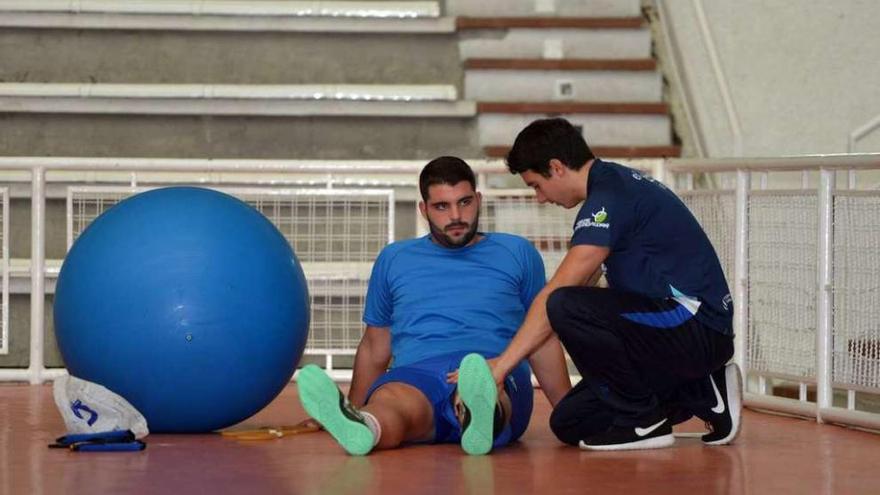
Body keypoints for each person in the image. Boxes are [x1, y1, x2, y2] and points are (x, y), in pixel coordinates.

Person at [485, 117, 741, 451]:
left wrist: (500, 367)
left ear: (556, 167)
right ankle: (704, 390)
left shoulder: (609, 197)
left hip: (696, 327)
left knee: (563, 304)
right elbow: (580, 294)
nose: (540, 198)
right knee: (570, 421)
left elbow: (559, 298)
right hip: (675, 335)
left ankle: (645, 422)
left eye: (536, 185)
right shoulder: (611, 186)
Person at [297, 156, 572, 456]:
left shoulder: (517, 252)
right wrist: (354, 404)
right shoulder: (394, 259)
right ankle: (362, 425)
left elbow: (541, 334)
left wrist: (569, 413)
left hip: (493, 368)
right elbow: (376, 345)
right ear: (423, 209)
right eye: (442, 206)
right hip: (417, 373)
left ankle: (478, 412)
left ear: (478, 200)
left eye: (465, 202)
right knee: (390, 402)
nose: (456, 215)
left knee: (486, 388)